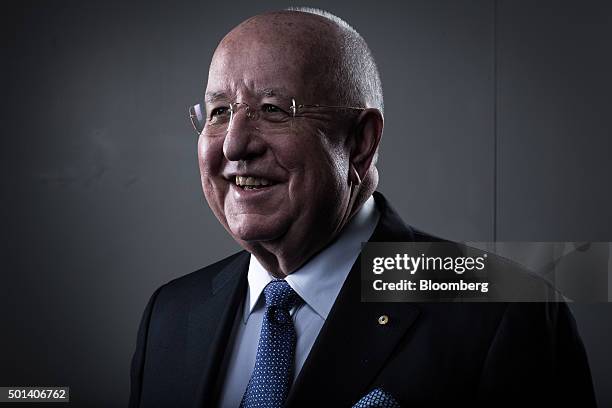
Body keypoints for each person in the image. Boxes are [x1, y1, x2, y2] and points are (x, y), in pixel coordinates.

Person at [129, 8, 596, 408]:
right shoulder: (170, 314)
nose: (234, 144)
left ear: (360, 142)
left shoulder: (505, 313)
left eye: (273, 109)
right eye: (219, 112)